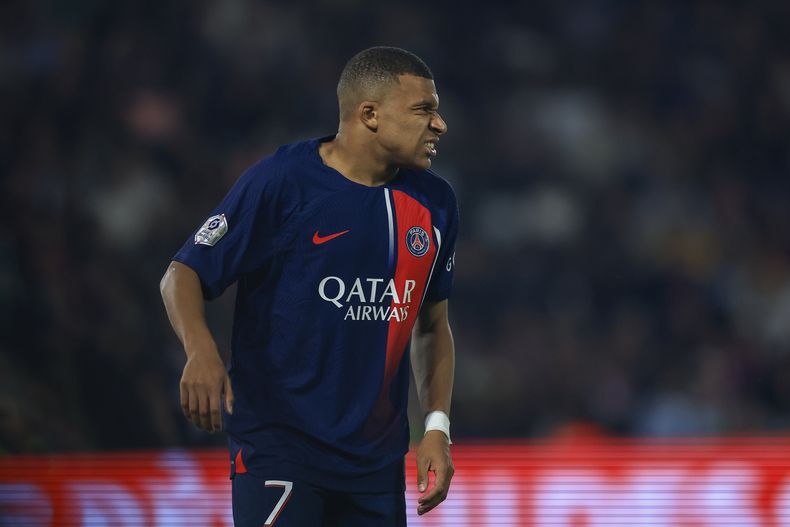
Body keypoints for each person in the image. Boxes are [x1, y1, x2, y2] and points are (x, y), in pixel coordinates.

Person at [160, 46, 458, 526]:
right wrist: (200, 350)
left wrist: (437, 428)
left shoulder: (435, 203)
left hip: (376, 465)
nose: (439, 124)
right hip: (281, 449)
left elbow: (431, 326)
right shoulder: (283, 183)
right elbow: (182, 273)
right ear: (370, 115)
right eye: (423, 110)